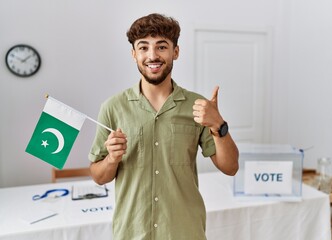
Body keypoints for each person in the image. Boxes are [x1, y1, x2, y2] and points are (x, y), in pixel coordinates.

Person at [88, 13, 239, 240]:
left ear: (175, 52)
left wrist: (219, 125)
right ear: (134, 54)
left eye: (161, 47)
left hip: (185, 231)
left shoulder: (198, 107)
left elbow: (231, 167)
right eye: (143, 48)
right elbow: (99, 177)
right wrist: (111, 159)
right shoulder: (112, 107)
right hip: (132, 232)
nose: (152, 56)